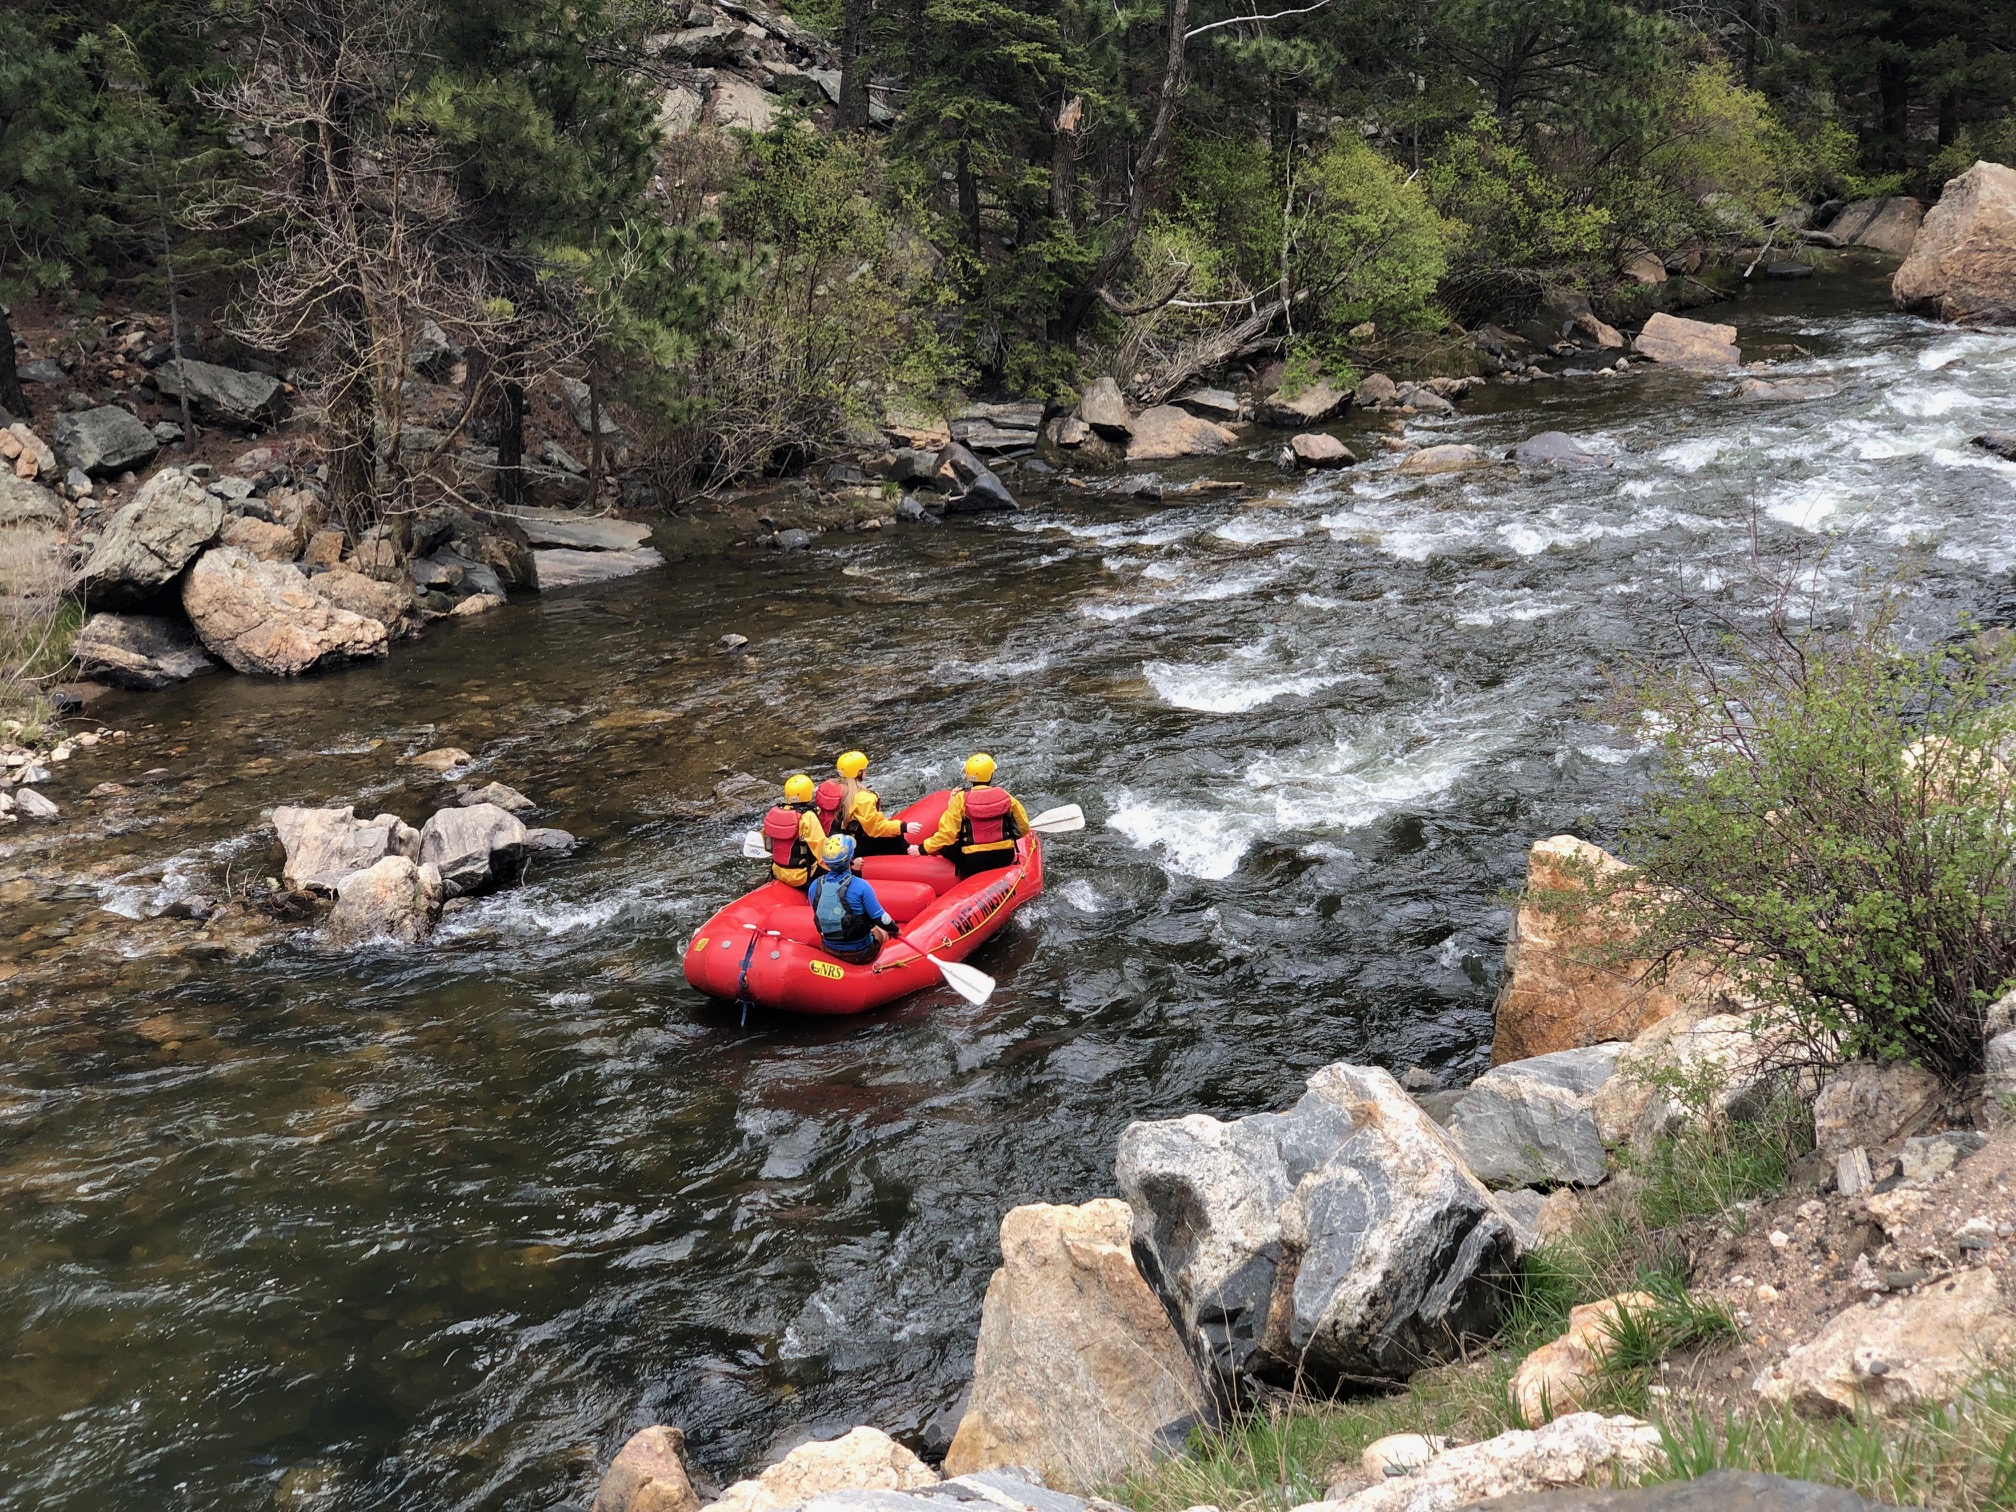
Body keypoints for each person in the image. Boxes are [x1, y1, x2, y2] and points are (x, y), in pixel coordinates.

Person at [920, 752, 1030, 877]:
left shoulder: (961, 799)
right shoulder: (1006, 796)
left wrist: (922, 848)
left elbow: (946, 835)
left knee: (941, 840)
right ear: (991, 775)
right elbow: (1023, 828)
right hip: (1004, 857)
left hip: (972, 862)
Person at [808, 835, 899, 963]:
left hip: (828, 948)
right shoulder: (861, 886)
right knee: (881, 931)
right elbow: (882, 919)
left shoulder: (814, 886)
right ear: (850, 859)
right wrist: (896, 930)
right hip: (860, 952)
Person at [823, 749, 913, 857]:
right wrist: (903, 827)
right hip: (847, 848)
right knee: (896, 838)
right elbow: (875, 828)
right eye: (864, 769)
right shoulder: (863, 798)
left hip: (831, 844)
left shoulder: (828, 789)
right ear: (859, 773)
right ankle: (913, 856)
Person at [761, 774, 827, 889]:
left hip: (777, 871)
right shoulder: (807, 816)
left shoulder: (774, 813)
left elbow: (768, 844)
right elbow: (821, 848)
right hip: (801, 876)